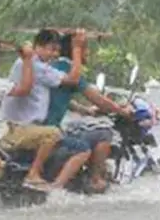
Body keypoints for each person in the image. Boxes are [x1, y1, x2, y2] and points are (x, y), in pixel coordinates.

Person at [0, 28, 89, 191]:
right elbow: (73, 78)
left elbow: (44, 95)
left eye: (58, 50)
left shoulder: (27, 62)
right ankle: (34, 174)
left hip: (14, 127)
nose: (55, 55)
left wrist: (83, 109)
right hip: (21, 128)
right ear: (37, 47)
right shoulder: (36, 66)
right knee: (55, 134)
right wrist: (77, 48)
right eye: (51, 49)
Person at [44, 32, 133, 192]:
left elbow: (59, 96)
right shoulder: (70, 70)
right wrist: (121, 110)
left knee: (79, 127)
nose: (88, 53)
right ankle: (95, 179)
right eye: (85, 49)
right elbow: (98, 99)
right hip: (50, 131)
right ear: (75, 51)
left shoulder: (52, 67)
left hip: (42, 127)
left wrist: (83, 110)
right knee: (104, 133)